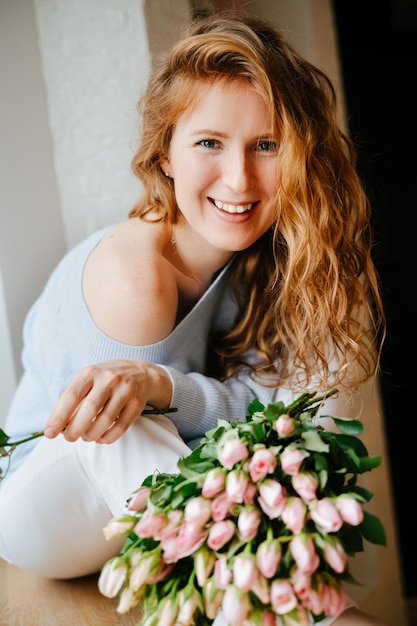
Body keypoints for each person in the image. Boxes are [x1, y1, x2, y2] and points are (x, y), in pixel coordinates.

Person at [0, 11, 388, 626]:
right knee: (132, 428)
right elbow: (193, 457)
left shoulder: (268, 258)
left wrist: (173, 389)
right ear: (166, 154)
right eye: (209, 142)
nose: (239, 178)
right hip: (47, 503)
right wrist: (175, 397)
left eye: (267, 145)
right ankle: (309, 613)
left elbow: (275, 412)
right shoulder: (138, 279)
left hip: (137, 504)